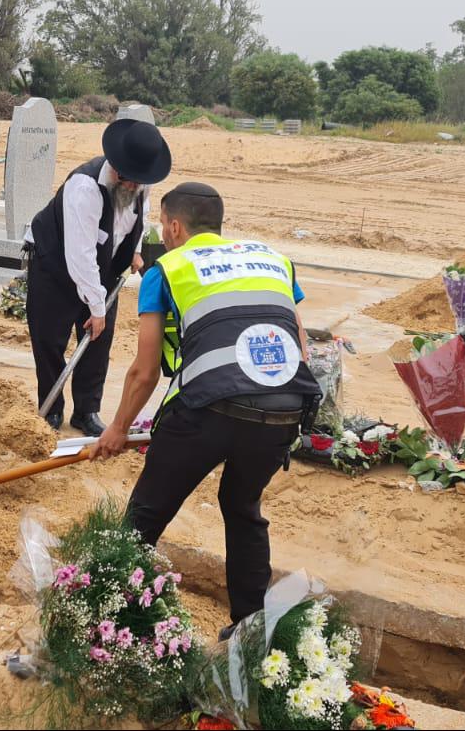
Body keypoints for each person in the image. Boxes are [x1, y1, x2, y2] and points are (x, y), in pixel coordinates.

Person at [93, 182, 320, 637]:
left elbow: (145, 370)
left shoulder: (168, 269)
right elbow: (302, 347)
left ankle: (105, 623)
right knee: (242, 506)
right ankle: (250, 630)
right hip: (285, 406)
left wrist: (116, 428)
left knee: (146, 514)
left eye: (162, 223)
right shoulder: (274, 260)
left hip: (209, 409)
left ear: (174, 226)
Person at [24, 119, 171, 435]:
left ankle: (86, 411)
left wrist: (132, 249)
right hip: (55, 264)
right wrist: (96, 308)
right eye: (129, 180)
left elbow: (134, 221)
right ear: (116, 167)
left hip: (100, 265)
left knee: (97, 343)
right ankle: (51, 410)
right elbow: (80, 255)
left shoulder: (141, 181)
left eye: (140, 181)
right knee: (50, 340)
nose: (134, 187)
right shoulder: (85, 187)